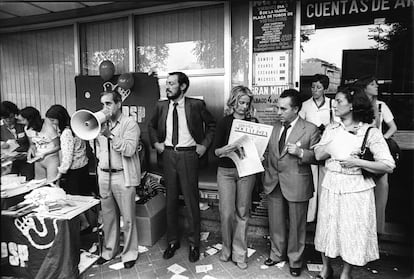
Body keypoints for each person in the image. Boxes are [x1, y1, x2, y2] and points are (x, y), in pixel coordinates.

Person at [313, 86, 395, 279]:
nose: (335, 105)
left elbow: (388, 165)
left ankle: (346, 273)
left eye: (339, 101)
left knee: (352, 231)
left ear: (352, 105)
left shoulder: (370, 132)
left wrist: (357, 161)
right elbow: (317, 154)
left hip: (356, 188)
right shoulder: (332, 128)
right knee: (327, 228)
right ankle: (326, 269)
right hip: (332, 184)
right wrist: (333, 144)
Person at [148, 71, 216, 262]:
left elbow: (212, 125)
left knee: (191, 200)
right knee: (170, 201)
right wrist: (156, 144)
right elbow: (151, 126)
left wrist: (204, 146)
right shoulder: (161, 106)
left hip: (189, 156)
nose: (167, 87)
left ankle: (194, 244)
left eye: (171, 83)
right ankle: (172, 241)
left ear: (183, 86)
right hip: (168, 155)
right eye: (166, 83)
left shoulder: (195, 105)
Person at [262, 89, 320, 277]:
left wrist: (301, 152)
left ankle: (295, 260)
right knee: (276, 223)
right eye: (277, 107)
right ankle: (277, 254)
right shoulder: (275, 127)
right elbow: (271, 154)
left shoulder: (310, 129)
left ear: (295, 109)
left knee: (297, 226)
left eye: (282, 108)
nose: (278, 112)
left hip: (297, 184)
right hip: (274, 182)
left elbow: (319, 157)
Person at [94, 91, 141, 269]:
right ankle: (109, 251)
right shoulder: (100, 124)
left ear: (119, 103)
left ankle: (129, 253)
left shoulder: (130, 124)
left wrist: (110, 135)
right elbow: (98, 149)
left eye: (108, 104)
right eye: (102, 104)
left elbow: (129, 150)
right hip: (104, 175)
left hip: (123, 175)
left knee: (127, 218)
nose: (104, 108)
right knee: (108, 217)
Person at [214, 86, 258, 270]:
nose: (244, 107)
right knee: (226, 213)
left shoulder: (253, 122)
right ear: (233, 102)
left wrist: (259, 153)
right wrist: (224, 150)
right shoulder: (224, 122)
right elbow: (215, 151)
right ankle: (226, 249)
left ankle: (240, 253)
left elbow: (257, 148)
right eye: (241, 102)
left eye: (247, 103)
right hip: (226, 171)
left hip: (246, 170)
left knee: (242, 212)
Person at [354, 75, 397, 235]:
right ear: (365, 87)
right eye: (372, 84)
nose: (376, 86)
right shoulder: (356, 106)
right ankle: (362, 230)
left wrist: (382, 139)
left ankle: (378, 232)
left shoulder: (381, 106)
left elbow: (393, 127)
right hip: (362, 154)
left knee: (381, 190)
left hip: (377, 154)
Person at [45, 104, 92, 231]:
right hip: (83, 166)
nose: (53, 124)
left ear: (59, 118)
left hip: (74, 171)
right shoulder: (75, 126)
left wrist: (60, 173)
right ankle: (91, 223)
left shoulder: (66, 133)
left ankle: (84, 224)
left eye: (53, 121)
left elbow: (67, 156)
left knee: (73, 200)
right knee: (85, 197)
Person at [299, 74, 339, 222]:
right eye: (313, 87)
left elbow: (337, 124)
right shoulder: (305, 105)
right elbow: (301, 126)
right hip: (311, 146)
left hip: (327, 147)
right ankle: (310, 217)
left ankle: (324, 217)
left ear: (325, 89)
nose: (315, 90)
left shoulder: (332, 104)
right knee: (312, 181)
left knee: (325, 182)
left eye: (319, 87)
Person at [18, 106, 60, 181]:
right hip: (38, 159)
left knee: (52, 182)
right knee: (39, 183)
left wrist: (45, 154)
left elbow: (58, 146)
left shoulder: (49, 127)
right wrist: (30, 152)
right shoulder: (27, 128)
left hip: (51, 157)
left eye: (23, 120)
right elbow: (32, 144)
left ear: (30, 119)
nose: (22, 123)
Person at [0, 101, 34, 180]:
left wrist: (29, 153)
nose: (8, 120)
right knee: (11, 182)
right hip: (8, 162)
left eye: (11, 117)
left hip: (26, 159)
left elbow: (32, 143)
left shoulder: (22, 123)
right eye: (5, 118)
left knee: (28, 181)